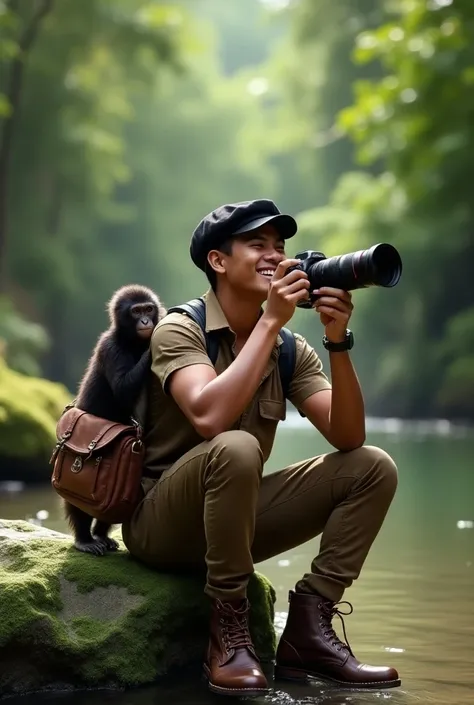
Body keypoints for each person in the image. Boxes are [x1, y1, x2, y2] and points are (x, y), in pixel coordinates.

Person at [122, 199, 400, 697]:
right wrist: (270, 320)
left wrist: (338, 341)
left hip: (234, 522)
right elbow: (209, 417)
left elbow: (348, 438)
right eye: (257, 245)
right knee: (236, 445)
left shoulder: (290, 349)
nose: (275, 256)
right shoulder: (180, 329)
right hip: (161, 529)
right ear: (218, 261)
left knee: (373, 467)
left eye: (280, 246)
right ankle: (229, 632)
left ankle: (309, 631)